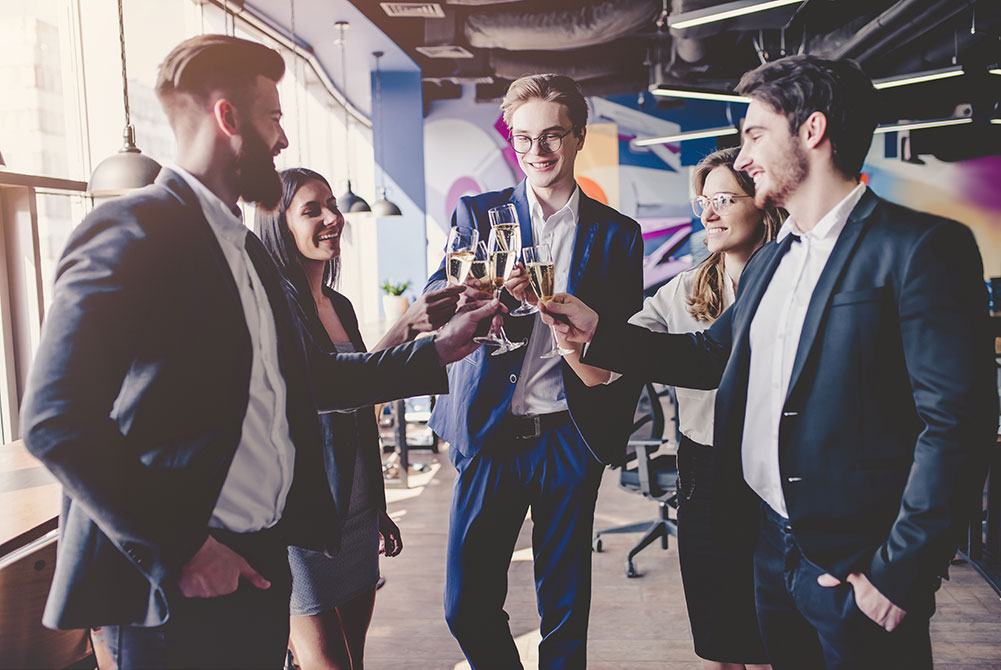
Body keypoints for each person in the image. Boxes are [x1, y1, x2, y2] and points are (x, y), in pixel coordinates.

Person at [19, 34, 496, 669]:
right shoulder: (130, 232)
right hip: (180, 584)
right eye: (274, 118)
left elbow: (314, 382)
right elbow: (55, 420)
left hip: (259, 565)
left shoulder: (248, 255)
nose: (283, 141)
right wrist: (185, 549)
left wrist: (439, 350)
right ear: (227, 118)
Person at [542, 55, 997, 669]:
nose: (745, 155)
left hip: (853, 563)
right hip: (765, 543)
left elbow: (956, 428)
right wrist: (597, 334)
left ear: (812, 131)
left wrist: (901, 572)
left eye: (755, 135)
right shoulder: (775, 257)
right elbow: (709, 357)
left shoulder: (918, 247)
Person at [424, 73, 645, 669]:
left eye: (551, 137)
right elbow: (434, 302)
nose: (536, 153)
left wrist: (583, 323)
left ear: (577, 139)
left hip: (569, 436)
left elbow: (625, 342)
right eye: (522, 139)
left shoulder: (619, 235)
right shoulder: (478, 214)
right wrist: (471, 296)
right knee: (465, 604)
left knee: (565, 611)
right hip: (490, 433)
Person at [561, 146, 780, 670]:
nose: (707, 214)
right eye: (702, 201)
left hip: (777, 471)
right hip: (706, 470)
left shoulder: (791, 280)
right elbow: (602, 371)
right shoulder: (685, 290)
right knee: (720, 634)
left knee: (777, 634)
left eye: (723, 199)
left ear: (764, 203)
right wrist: (571, 338)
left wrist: (596, 336)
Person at [255, 167, 464, 670]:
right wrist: (408, 329)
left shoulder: (340, 305)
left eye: (332, 204)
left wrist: (376, 504)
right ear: (279, 226)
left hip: (352, 507)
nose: (333, 218)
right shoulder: (275, 307)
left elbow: (358, 403)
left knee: (354, 659)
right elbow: (319, 394)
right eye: (312, 210)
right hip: (300, 521)